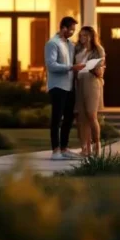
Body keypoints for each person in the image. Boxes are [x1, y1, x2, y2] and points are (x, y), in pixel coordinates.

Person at [45, 16, 85, 160]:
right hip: (57, 86)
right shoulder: (52, 44)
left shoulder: (70, 45)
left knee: (68, 118)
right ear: (63, 28)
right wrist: (71, 67)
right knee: (56, 118)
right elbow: (51, 65)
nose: (73, 33)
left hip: (69, 87)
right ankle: (55, 151)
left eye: (74, 30)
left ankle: (64, 148)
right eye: (71, 30)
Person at [75, 26, 106, 156]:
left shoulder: (98, 50)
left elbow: (100, 71)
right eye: (81, 35)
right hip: (79, 83)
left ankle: (97, 146)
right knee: (81, 117)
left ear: (92, 36)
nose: (83, 38)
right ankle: (84, 149)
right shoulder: (77, 50)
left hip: (92, 82)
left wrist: (94, 68)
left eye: (85, 35)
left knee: (91, 115)